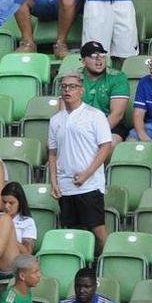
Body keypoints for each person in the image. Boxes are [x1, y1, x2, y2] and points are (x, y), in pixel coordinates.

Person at [48, 72, 113, 254]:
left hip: (89, 185)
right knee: (72, 231)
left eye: (73, 86)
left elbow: (105, 147)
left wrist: (87, 173)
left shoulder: (94, 115)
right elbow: (52, 153)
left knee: (98, 229)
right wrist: (54, 181)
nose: (68, 90)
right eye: (64, 87)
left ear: (81, 90)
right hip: (66, 184)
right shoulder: (55, 120)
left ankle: (104, 265)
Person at [78, 40, 132, 141]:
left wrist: (95, 134)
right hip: (79, 125)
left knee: (107, 143)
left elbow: (117, 114)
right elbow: (65, 112)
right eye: (94, 56)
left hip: (110, 126)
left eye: (102, 55)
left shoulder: (117, 77)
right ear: (83, 61)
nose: (99, 60)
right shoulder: (74, 78)